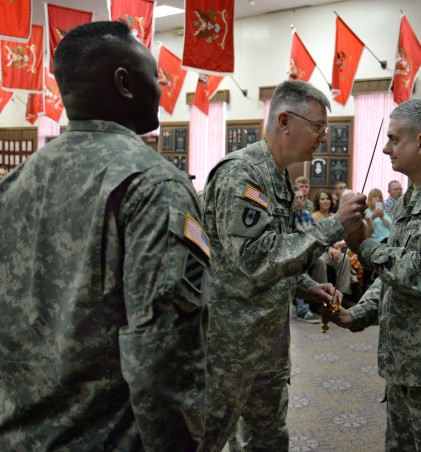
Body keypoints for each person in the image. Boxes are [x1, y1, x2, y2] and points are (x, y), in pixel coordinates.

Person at [0, 21, 208, 450]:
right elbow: (161, 358)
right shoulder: (153, 185)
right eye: (156, 77)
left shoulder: (14, 183)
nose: (162, 89)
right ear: (125, 83)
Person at [202, 79, 367, 451]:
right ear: (284, 120)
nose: (323, 136)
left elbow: (281, 253)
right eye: (318, 126)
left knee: (269, 440)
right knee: (205, 439)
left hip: (268, 344)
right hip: (229, 347)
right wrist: (334, 225)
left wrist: (307, 287)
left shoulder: (278, 178)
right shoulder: (241, 175)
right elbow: (256, 259)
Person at [325, 99, 421, 450]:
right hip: (402, 365)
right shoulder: (414, 192)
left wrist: (365, 246)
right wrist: (358, 313)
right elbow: (393, 273)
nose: (385, 148)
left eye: (394, 139)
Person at [292, 188, 322, 324]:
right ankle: (303, 310)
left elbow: (315, 235)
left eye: (301, 198)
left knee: (321, 262)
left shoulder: (306, 215)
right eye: (296, 198)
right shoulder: (288, 216)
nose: (299, 200)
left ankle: (320, 301)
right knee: (301, 265)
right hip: (294, 253)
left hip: (310, 250)